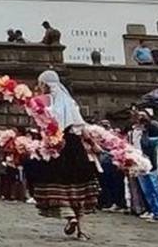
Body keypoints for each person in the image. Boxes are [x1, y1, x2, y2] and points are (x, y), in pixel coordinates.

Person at [27, 71, 98, 241]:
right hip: (74, 145)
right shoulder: (70, 102)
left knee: (57, 182)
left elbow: (39, 122)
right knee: (78, 184)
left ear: (44, 84)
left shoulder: (42, 100)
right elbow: (81, 127)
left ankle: (69, 216)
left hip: (56, 144)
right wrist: (93, 143)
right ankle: (82, 230)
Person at [136, 109, 158, 221]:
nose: (140, 117)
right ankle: (155, 211)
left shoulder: (153, 125)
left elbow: (155, 143)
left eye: (143, 115)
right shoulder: (142, 128)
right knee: (148, 190)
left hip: (153, 161)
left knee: (155, 189)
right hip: (145, 161)